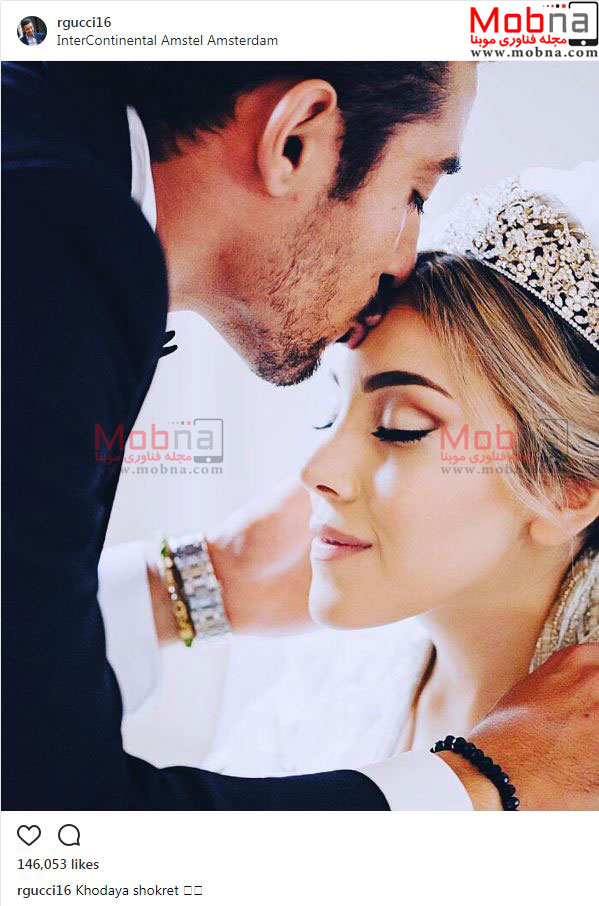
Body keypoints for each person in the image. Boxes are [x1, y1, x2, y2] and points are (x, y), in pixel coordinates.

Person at [3, 60, 599, 810]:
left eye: (402, 427)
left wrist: (213, 579)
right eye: (413, 193)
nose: (315, 467)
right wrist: (482, 789)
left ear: (568, 487)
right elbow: (58, 815)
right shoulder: (41, 262)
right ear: (294, 141)